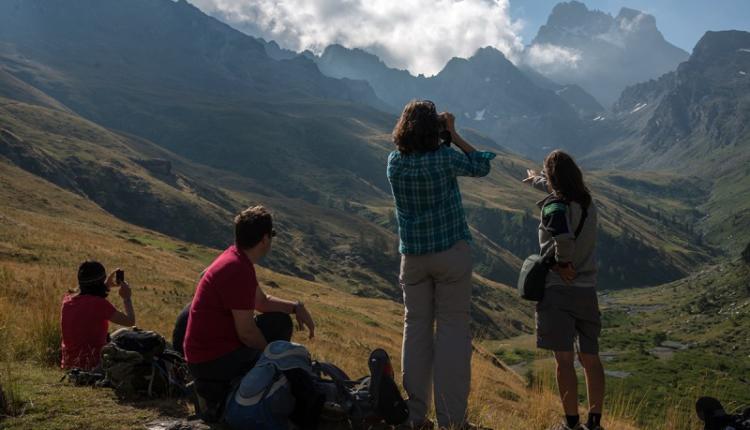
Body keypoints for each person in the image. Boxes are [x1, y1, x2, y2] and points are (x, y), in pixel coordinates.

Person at [387, 100, 496, 429]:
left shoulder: (394, 163)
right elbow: (480, 166)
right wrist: (454, 134)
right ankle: (452, 420)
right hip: (450, 254)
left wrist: (440, 133)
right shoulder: (445, 158)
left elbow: (415, 153)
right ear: (434, 129)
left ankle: (416, 415)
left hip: (413, 259)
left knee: (415, 331)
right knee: (451, 333)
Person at [183, 205, 316, 416]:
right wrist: (272, 356)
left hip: (206, 354)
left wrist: (295, 307)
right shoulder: (237, 269)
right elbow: (246, 333)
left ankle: (234, 386)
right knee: (280, 353)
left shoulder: (236, 258)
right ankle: (228, 394)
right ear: (264, 239)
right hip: (212, 361)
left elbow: (261, 303)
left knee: (280, 322)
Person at [523, 150, 605, 430]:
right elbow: (556, 187)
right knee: (591, 358)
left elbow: (563, 236)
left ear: (554, 180)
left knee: (564, 360)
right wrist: (536, 179)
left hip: (559, 289)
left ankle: (571, 423)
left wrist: (563, 263)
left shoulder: (554, 206)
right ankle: (595, 422)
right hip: (587, 290)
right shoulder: (587, 202)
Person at [60, 261, 136, 370]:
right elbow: (130, 321)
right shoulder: (99, 304)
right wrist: (127, 298)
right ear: (100, 281)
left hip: (69, 365)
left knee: (122, 332)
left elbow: (88, 297)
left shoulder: (67, 300)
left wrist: (106, 285)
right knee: (128, 334)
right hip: (93, 366)